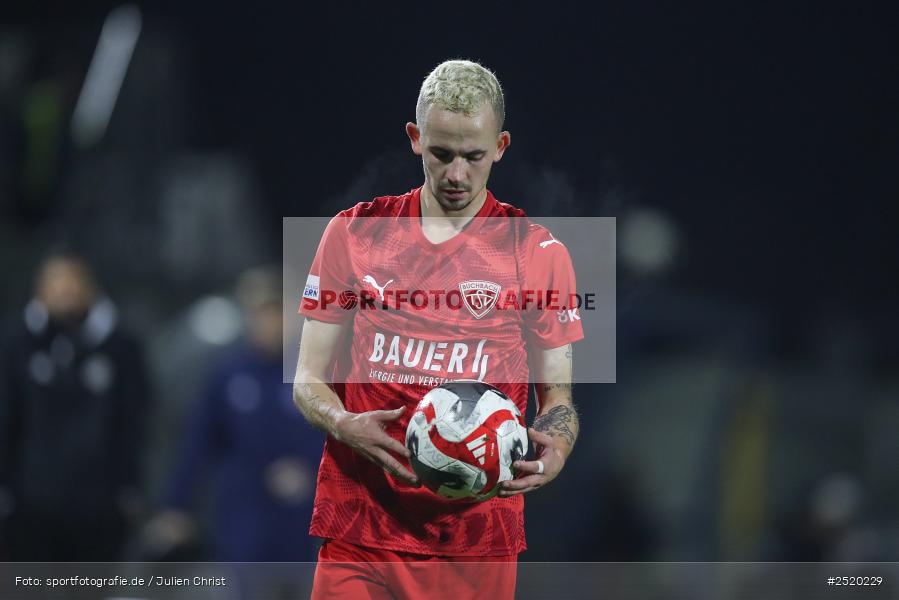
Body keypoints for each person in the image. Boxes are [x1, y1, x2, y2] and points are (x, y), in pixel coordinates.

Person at [293, 60, 583, 599]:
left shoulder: (538, 254)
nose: (456, 175)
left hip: (476, 539)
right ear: (414, 139)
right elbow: (307, 378)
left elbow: (557, 397)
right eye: (441, 154)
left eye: (474, 157)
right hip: (362, 526)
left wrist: (557, 449)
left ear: (500, 146)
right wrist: (342, 422)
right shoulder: (354, 234)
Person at [146, 267, 323, 564]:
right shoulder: (228, 375)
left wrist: (310, 469)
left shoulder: (315, 374)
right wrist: (176, 506)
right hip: (243, 522)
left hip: (304, 526)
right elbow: (197, 444)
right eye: (260, 314)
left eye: (275, 312)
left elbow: (340, 441)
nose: (268, 323)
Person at [0, 252, 149, 561]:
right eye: (57, 282)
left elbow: (133, 422)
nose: (66, 291)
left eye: (73, 282)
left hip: (99, 504)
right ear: (39, 290)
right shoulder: (15, 344)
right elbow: (7, 416)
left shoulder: (121, 348)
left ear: (90, 287)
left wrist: (129, 486)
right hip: (31, 503)